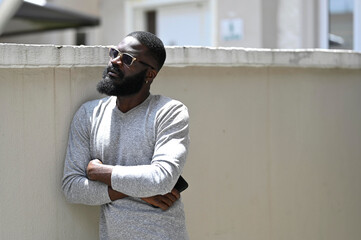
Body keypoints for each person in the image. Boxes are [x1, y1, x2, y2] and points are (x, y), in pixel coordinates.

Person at [62, 31, 190, 240]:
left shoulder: (169, 112)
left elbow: (162, 179)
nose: (115, 61)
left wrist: (98, 172)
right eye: (114, 53)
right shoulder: (89, 114)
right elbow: (71, 187)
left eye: (127, 59)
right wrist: (138, 191)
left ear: (150, 74)